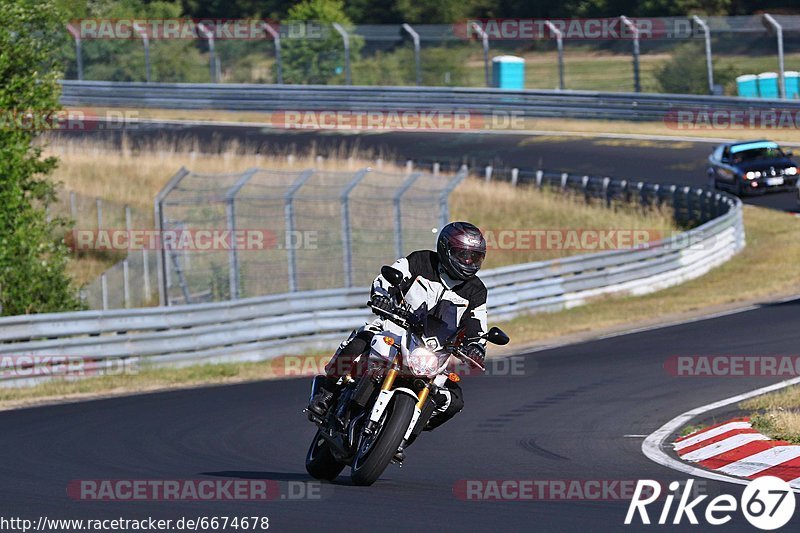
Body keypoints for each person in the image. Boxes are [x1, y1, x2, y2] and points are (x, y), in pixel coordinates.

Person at [307, 221, 489, 431]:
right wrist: (382, 296)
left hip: (434, 350)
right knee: (360, 342)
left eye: (474, 257)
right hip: (395, 327)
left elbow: (478, 324)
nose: (468, 261)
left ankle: (407, 428)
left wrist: (476, 347)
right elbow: (387, 278)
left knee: (454, 400)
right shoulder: (421, 260)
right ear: (446, 249)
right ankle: (327, 392)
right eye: (463, 255)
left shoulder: (476, 290)